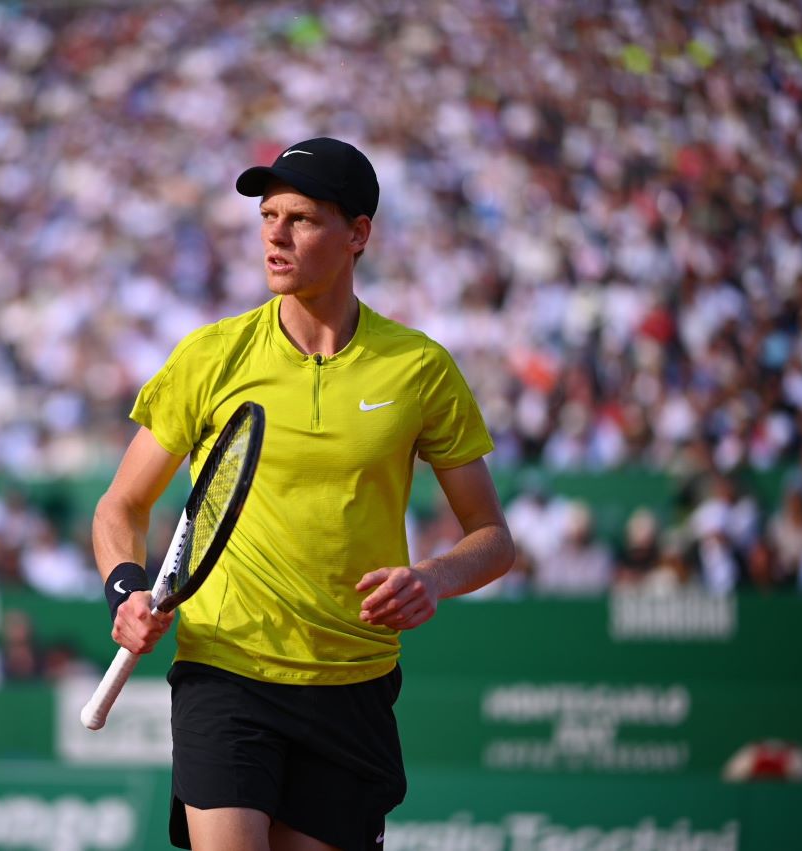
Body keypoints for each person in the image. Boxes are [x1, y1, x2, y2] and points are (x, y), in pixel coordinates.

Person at [92, 138, 514, 851]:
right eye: (267, 216)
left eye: (302, 218)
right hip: (225, 669)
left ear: (358, 234)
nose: (276, 235)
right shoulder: (211, 355)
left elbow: (492, 537)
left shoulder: (420, 368)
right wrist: (126, 589)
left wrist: (433, 579)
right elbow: (120, 507)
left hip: (353, 683)